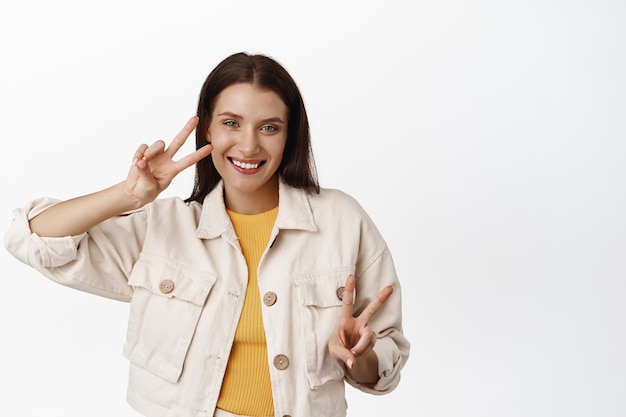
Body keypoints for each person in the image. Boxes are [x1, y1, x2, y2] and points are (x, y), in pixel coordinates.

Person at [4, 52, 409, 417]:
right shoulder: (164, 228)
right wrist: (128, 194)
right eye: (231, 123)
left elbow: (385, 360)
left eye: (269, 127)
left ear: (290, 135)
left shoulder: (342, 220)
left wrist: (361, 356)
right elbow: (30, 237)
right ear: (208, 130)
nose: (248, 146)